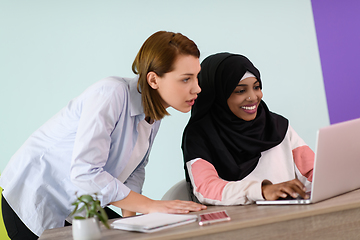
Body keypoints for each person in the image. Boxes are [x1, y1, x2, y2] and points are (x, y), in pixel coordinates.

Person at [0, 31, 207, 239]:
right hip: (36, 198)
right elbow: (86, 172)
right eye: (186, 79)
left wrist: (132, 222)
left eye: (196, 77)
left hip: (80, 203)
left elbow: (136, 170)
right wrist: (151, 206)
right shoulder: (111, 93)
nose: (197, 88)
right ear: (153, 80)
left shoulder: (154, 113)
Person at [182, 52, 314, 205]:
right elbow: (206, 188)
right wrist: (261, 191)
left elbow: (312, 173)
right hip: (239, 224)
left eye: (256, 87)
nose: (253, 97)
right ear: (217, 95)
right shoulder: (199, 136)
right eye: (240, 90)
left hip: (290, 217)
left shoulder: (277, 125)